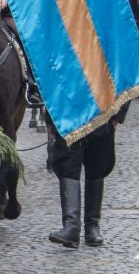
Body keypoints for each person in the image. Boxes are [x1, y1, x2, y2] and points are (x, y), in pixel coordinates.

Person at [48, 104, 129, 249]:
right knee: (68, 166)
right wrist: (50, 119)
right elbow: (51, 82)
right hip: (68, 113)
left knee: (97, 166)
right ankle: (71, 226)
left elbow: (123, 81)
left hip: (101, 112)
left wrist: (118, 116)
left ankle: (92, 226)